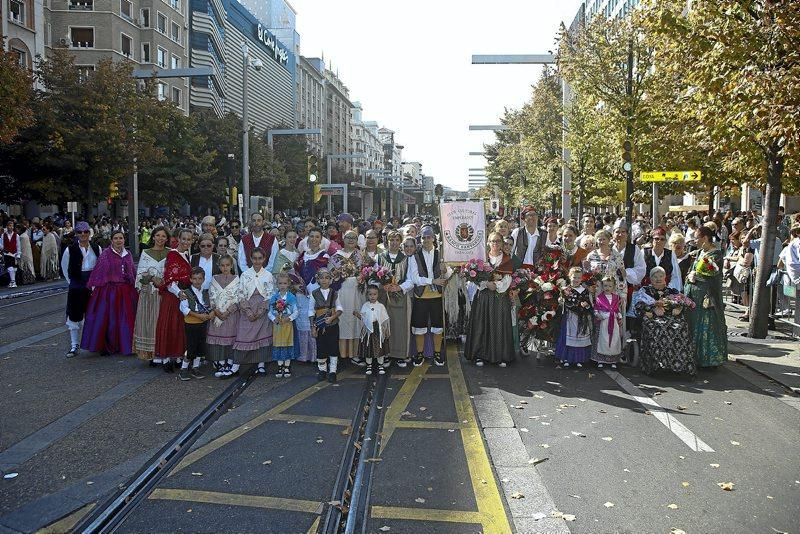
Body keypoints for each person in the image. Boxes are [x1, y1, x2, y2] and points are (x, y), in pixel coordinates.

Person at [81, 230, 138, 355]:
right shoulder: (106, 254)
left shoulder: (127, 254)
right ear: (112, 240)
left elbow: (132, 272)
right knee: (110, 320)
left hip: (126, 291)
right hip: (109, 291)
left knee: (126, 319)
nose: (119, 240)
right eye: (116, 238)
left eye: (121, 238)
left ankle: (126, 345)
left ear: (124, 240)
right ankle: (108, 345)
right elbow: (99, 271)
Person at [464, 232, 515, 367]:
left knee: (499, 325)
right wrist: (486, 284)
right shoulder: (482, 259)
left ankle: (501, 356)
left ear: (502, 244)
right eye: (492, 241)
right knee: (482, 324)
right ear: (488, 243)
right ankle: (480, 355)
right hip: (484, 296)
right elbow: (474, 278)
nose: (495, 244)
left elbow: (508, 280)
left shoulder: (507, 260)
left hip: (499, 296)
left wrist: (496, 286)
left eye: (498, 241)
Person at [634, 266, 696, 377]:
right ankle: (657, 366)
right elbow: (638, 305)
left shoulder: (671, 291)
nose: (658, 279)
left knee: (681, 326)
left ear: (665, 278)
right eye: (655, 277)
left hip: (671, 317)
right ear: (650, 279)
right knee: (658, 328)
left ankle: (679, 365)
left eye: (661, 276)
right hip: (653, 317)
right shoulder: (645, 290)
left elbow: (684, 302)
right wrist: (650, 309)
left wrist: (679, 308)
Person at [408, 225, 452, 367]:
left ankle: (437, 353)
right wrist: (432, 281)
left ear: (434, 238)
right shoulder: (414, 256)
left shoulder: (441, 254)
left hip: (437, 296)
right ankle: (419, 353)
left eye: (429, 237)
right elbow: (415, 278)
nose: (426, 240)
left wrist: (445, 271)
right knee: (419, 326)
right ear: (420, 239)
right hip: (421, 296)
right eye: (424, 237)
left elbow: (449, 273)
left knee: (438, 326)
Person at [684, 225, 728, 368]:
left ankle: (709, 359)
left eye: (696, 238)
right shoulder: (699, 253)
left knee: (707, 326)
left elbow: (713, 273)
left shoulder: (716, 254)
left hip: (706, 298)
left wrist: (696, 275)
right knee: (693, 324)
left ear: (705, 238)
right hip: (694, 297)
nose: (694, 241)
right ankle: (694, 356)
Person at [155, 228, 194, 371]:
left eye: (189, 239)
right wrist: (178, 293)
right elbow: (169, 279)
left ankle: (178, 357)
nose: (186, 242)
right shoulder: (172, 254)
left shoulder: (186, 254)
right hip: (172, 296)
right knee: (169, 326)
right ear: (178, 238)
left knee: (179, 327)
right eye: (183, 239)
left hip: (182, 295)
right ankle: (166, 359)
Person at [62, 221, 101, 357]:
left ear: (90, 233)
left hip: (92, 285)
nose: (83, 234)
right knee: (74, 315)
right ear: (76, 234)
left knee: (94, 314)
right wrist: (73, 282)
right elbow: (65, 268)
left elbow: (100, 267)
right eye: (80, 232)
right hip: (77, 284)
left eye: (85, 232)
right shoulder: (70, 250)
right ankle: (74, 345)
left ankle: (94, 343)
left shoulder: (97, 248)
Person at [377, 231, 415, 367]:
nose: (393, 242)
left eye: (396, 240)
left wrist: (399, 288)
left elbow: (411, 279)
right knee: (384, 325)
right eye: (391, 239)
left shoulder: (406, 259)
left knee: (399, 326)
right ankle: (385, 354)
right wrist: (382, 285)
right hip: (383, 296)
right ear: (387, 241)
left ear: (400, 242)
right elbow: (373, 277)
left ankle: (399, 354)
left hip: (400, 296)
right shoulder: (380, 257)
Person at [234, 247, 274, 375]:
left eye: (260, 258)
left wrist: (262, 310)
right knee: (243, 335)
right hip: (248, 308)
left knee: (262, 335)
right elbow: (240, 294)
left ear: (264, 259)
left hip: (262, 308)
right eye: (255, 258)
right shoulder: (245, 274)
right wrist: (248, 311)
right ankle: (236, 364)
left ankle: (261, 363)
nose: (257, 261)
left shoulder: (268, 275)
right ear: (251, 259)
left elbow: (270, 294)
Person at [133, 226, 169, 362]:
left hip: (165, 292)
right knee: (150, 322)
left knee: (162, 322)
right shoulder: (146, 252)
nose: (160, 238)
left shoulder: (171, 252)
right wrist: (153, 279)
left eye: (163, 236)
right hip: (149, 293)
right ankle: (151, 354)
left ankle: (162, 351)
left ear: (167, 238)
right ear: (153, 237)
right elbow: (141, 274)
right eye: (158, 235)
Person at [329, 230, 365, 363]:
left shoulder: (361, 255)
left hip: (357, 292)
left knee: (356, 320)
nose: (351, 240)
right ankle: (341, 354)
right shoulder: (335, 256)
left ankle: (355, 354)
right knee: (342, 320)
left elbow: (366, 272)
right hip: (342, 292)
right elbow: (331, 274)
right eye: (348, 237)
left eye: (354, 238)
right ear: (343, 239)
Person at [208, 255, 241, 379]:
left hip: (231, 315)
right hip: (218, 314)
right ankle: (221, 362)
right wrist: (216, 311)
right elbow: (211, 296)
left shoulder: (237, 279)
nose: (225, 267)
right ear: (219, 266)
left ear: (232, 266)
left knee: (231, 340)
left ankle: (230, 362)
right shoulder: (214, 279)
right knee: (219, 341)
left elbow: (238, 297)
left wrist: (227, 312)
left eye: (227, 265)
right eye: (222, 265)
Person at [177, 267, 213, 380]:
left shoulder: (205, 292)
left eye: (200, 278)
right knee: (191, 346)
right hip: (191, 323)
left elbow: (209, 305)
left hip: (202, 323)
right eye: (195, 279)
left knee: (200, 346)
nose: (197, 281)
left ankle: (195, 367)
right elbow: (184, 309)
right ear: (190, 279)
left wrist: (210, 314)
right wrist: (199, 316)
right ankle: (183, 368)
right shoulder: (186, 293)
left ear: (203, 279)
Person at [555, 266, 593, 368]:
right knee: (569, 337)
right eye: (574, 277)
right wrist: (578, 307)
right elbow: (567, 303)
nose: (576, 280)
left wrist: (586, 305)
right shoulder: (566, 290)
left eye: (578, 278)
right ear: (570, 276)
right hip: (570, 317)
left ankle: (578, 359)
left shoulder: (584, 290)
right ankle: (567, 358)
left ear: (582, 278)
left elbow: (588, 302)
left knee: (579, 337)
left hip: (581, 319)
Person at [310, 268, 343, 382]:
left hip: (333, 325)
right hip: (319, 326)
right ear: (318, 280)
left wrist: (332, 318)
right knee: (321, 347)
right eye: (321, 278)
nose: (324, 280)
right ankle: (322, 370)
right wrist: (313, 328)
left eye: (327, 278)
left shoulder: (335, 293)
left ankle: (332, 371)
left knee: (333, 347)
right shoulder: (314, 294)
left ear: (330, 280)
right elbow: (311, 312)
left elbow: (339, 309)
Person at [355, 285, 391, 375]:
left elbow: (385, 319)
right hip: (368, 330)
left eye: (374, 294)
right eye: (370, 294)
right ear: (367, 295)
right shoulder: (365, 305)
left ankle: (380, 365)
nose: (372, 296)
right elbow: (363, 317)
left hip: (378, 330)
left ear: (378, 295)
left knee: (380, 348)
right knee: (368, 348)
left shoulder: (381, 306)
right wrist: (357, 314)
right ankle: (369, 365)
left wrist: (386, 330)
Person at [269, 272, 299, 378]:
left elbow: (296, 312)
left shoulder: (291, 297)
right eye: (280, 283)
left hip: (287, 324)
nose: (282, 285)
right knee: (278, 345)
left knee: (287, 343)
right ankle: (280, 366)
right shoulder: (274, 297)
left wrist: (288, 318)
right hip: (277, 325)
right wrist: (274, 318)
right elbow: (270, 312)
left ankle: (287, 366)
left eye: (285, 283)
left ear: (288, 284)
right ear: (277, 284)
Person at [592, 276, 623, 369]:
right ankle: (601, 360)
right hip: (603, 322)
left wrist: (619, 316)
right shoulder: (599, 298)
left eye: (610, 286)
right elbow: (596, 309)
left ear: (613, 287)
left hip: (613, 321)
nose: (607, 288)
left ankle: (613, 360)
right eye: (605, 286)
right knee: (603, 340)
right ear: (602, 286)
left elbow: (617, 309)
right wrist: (598, 315)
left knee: (614, 340)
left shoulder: (616, 297)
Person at [290, 272, 316, 363]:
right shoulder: (294, 294)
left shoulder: (308, 291)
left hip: (308, 316)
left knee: (311, 336)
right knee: (302, 336)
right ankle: (304, 356)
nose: (298, 286)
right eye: (296, 284)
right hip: (300, 317)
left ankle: (313, 356)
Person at [2, 220, 20, 288]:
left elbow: (18, 245)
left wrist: (18, 254)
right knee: (9, 267)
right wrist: (3, 249)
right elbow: (1, 244)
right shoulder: (3, 235)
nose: (11, 227)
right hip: (7, 253)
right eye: (9, 226)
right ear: (7, 227)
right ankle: (13, 281)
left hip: (14, 253)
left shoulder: (16, 235)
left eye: (12, 226)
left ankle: (13, 281)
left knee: (14, 268)